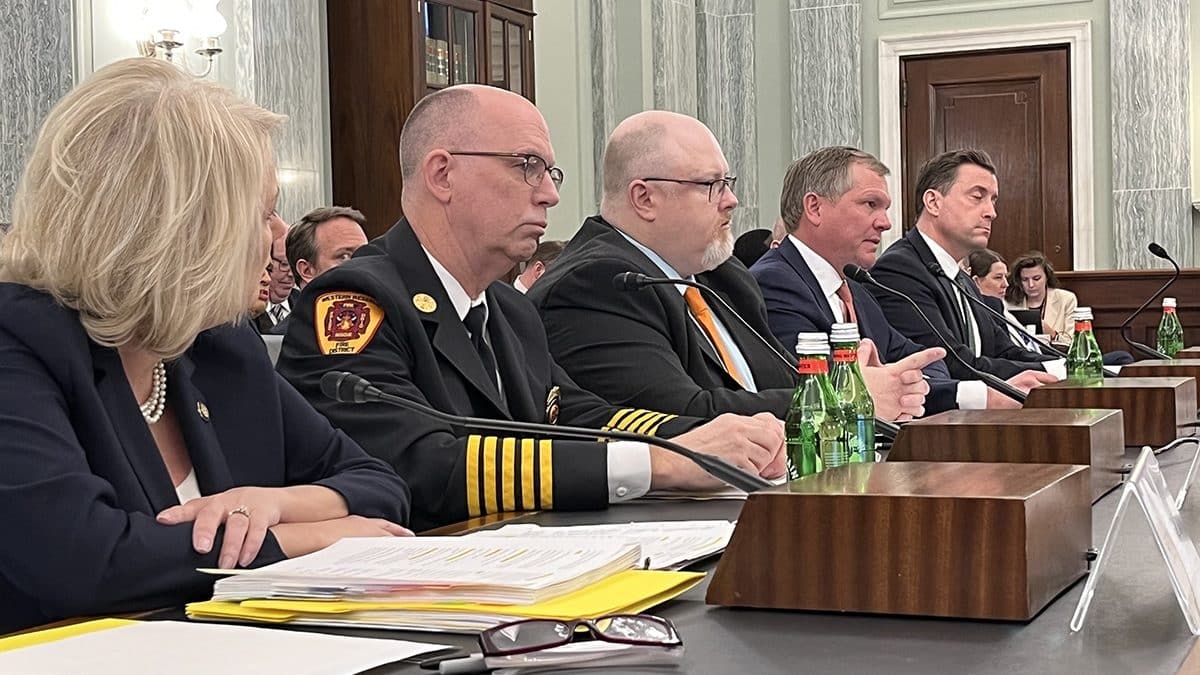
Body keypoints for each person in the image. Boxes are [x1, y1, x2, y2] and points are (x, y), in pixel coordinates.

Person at [0, 58, 410, 634]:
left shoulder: (218, 348)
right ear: (180, 225)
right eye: (264, 210)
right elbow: (84, 563)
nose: (276, 236)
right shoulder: (16, 343)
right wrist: (307, 540)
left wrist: (270, 503)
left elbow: (379, 485)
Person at [277, 87, 786, 532]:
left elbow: (575, 413)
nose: (551, 194)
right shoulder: (354, 301)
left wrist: (697, 441)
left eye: (549, 171)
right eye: (527, 167)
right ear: (442, 173)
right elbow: (421, 464)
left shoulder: (507, 309)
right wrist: (660, 465)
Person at [528, 113, 939, 422]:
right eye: (711, 185)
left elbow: (780, 382)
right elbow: (682, 415)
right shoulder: (597, 284)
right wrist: (840, 397)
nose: (731, 201)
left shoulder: (723, 278)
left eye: (729, 183)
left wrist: (851, 384)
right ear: (645, 198)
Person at [751, 147, 1054, 412]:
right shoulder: (774, 283)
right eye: (871, 204)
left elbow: (927, 361)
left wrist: (892, 380)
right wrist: (975, 394)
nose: (886, 223)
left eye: (886, 209)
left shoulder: (858, 289)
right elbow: (822, 391)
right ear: (815, 208)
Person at [867, 149, 1063, 381]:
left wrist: (1069, 367)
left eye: (993, 200)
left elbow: (1003, 349)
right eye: (977, 197)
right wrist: (1054, 372)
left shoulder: (962, 280)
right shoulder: (899, 270)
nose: (992, 212)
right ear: (933, 202)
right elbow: (950, 362)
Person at [275, 206, 370, 335]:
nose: (361, 264)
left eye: (364, 254)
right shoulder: (281, 342)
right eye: (343, 257)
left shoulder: (389, 330)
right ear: (307, 270)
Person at [965, 248, 1047, 353]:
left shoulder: (1000, 307)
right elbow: (1007, 353)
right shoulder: (987, 310)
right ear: (976, 281)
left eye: (1005, 277)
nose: (1006, 284)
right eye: (998, 278)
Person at [1006, 251, 1078, 346]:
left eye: (1036, 279)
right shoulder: (1009, 302)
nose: (1031, 285)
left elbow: (1072, 343)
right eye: (1025, 280)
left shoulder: (1066, 299)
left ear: (1047, 277)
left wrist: (1052, 334)